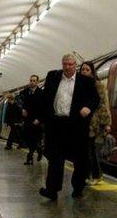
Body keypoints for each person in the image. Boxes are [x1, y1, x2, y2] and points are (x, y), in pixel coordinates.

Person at [38, 53, 100, 200]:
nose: (67, 67)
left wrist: (88, 108)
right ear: (62, 64)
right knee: (55, 159)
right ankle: (52, 190)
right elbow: (45, 97)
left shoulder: (85, 81)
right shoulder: (53, 76)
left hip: (76, 125)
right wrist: (47, 117)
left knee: (80, 159)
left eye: (71, 64)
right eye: (65, 64)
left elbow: (95, 99)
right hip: (57, 124)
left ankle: (78, 188)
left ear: (75, 66)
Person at [79, 61, 111, 182]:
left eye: (87, 69)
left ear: (92, 71)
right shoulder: (78, 84)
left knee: (92, 150)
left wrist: (106, 123)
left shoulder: (98, 85)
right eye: (82, 69)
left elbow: (103, 104)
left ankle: (96, 175)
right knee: (84, 151)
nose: (84, 72)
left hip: (94, 123)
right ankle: (87, 175)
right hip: (81, 122)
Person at [17, 74, 45, 165]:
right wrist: (22, 109)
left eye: (34, 81)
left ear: (37, 82)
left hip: (37, 120)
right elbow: (18, 100)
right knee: (28, 138)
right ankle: (39, 150)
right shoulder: (25, 92)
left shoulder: (41, 93)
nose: (32, 82)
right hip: (27, 119)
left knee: (35, 138)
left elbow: (44, 108)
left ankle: (30, 157)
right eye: (31, 80)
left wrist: (39, 119)